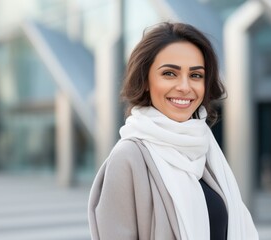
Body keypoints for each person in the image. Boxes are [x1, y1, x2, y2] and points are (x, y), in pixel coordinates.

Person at [88, 22, 258, 240]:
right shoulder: (128, 158)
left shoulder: (203, 148)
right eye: (169, 73)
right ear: (146, 80)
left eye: (196, 75)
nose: (185, 87)